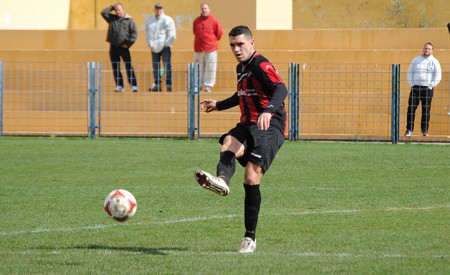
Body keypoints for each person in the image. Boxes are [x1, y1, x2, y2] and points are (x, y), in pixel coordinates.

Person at [194, 25, 288, 253]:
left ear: (251, 43)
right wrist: (219, 105)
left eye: (240, 44)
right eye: (232, 45)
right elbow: (242, 95)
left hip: (269, 126)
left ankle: (249, 238)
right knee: (228, 142)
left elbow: (281, 88)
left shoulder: (260, 64)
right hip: (248, 124)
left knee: (251, 177)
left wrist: (269, 111)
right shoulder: (242, 68)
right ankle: (222, 181)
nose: (236, 49)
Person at [404, 42, 441, 137]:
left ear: (432, 50)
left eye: (429, 48)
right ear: (423, 49)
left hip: (427, 89)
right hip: (415, 88)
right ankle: (409, 130)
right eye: (425, 48)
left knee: (426, 110)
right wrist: (412, 84)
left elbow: (438, 75)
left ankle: (425, 130)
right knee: (411, 108)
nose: (427, 50)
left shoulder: (435, 61)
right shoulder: (416, 60)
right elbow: (410, 72)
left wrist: (431, 85)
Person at [101, 3, 138, 92]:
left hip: (124, 47)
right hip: (113, 46)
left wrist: (128, 44)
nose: (118, 12)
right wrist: (111, 7)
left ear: (123, 9)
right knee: (115, 67)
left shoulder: (129, 20)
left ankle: (133, 85)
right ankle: (119, 85)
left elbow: (134, 33)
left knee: (128, 66)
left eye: (119, 10)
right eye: (116, 10)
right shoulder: (112, 18)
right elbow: (103, 13)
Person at [145, 3, 176, 92]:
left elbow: (172, 34)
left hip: (165, 47)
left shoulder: (167, 20)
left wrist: (166, 44)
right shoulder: (150, 20)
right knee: (155, 66)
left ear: (162, 9)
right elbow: (147, 33)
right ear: (154, 9)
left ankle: (168, 84)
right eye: (157, 8)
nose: (158, 10)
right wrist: (150, 44)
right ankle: (157, 84)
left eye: (160, 8)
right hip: (154, 47)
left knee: (167, 65)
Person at [193, 3, 223, 93]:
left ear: (209, 10)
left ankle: (208, 86)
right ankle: (197, 86)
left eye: (205, 8)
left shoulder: (214, 21)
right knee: (198, 68)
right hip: (198, 49)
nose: (204, 10)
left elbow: (219, 33)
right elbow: (195, 32)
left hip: (211, 49)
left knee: (210, 68)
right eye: (202, 8)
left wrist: (211, 41)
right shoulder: (196, 21)